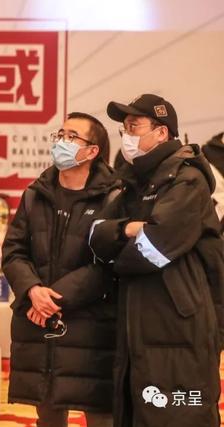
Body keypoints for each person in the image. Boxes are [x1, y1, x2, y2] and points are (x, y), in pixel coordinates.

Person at [89, 94, 221, 427]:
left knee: (179, 413)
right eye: (124, 128)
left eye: (134, 126)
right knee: (139, 410)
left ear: (161, 132)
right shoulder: (131, 181)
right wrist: (128, 229)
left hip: (178, 324)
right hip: (138, 318)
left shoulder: (187, 180)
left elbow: (152, 249)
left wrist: (119, 250)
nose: (127, 135)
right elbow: (95, 235)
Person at [2, 112, 119, 427]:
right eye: (60, 135)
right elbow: (13, 251)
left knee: (101, 416)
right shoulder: (35, 194)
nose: (61, 142)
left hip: (91, 325)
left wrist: (52, 298)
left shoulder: (113, 197)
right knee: (48, 414)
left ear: (92, 150)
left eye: (71, 137)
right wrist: (32, 290)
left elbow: (108, 264)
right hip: (39, 324)